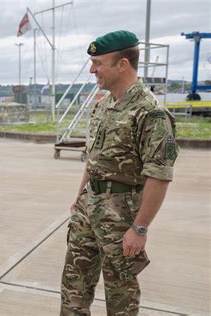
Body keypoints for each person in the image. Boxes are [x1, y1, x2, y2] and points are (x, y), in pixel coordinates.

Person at [60, 30, 179, 315]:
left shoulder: (150, 113)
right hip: (89, 209)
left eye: (98, 63)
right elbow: (93, 159)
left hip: (121, 216)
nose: (92, 69)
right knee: (73, 287)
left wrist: (140, 228)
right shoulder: (103, 106)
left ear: (122, 64)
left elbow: (159, 176)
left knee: (120, 296)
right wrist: (80, 198)